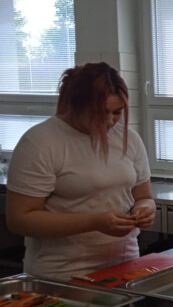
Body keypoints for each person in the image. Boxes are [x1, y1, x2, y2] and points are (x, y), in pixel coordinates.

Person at [6, 62, 155, 281]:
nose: (109, 121)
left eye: (117, 112)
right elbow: (20, 219)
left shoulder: (129, 139)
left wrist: (145, 209)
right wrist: (95, 222)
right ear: (76, 105)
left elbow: (144, 196)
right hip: (61, 274)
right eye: (99, 113)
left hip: (124, 266)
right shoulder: (40, 142)